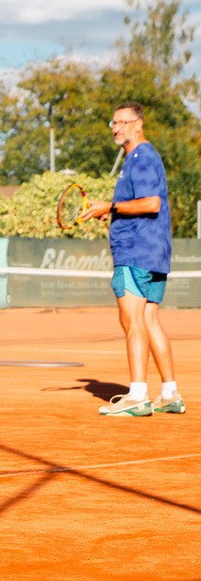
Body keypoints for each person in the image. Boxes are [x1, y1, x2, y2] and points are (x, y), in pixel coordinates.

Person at [82, 101, 185, 417]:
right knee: (150, 319)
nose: (116, 128)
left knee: (133, 320)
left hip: (136, 252)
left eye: (122, 122)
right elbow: (142, 205)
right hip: (154, 252)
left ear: (138, 124)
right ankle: (170, 394)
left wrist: (110, 208)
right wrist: (114, 212)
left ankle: (138, 394)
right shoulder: (140, 158)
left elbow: (151, 203)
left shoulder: (140, 157)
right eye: (113, 123)